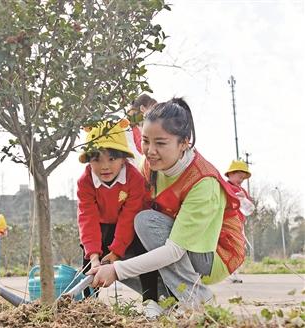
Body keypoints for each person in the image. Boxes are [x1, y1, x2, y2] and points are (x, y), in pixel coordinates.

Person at [89, 98, 246, 317]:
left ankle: (198, 299)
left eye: (160, 143)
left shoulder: (203, 182)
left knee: (145, 222)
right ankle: (167, 299)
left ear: (184, 143)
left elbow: (174, 250)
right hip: (173, 241)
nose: (150, 151)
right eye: (145, 141)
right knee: (117, 242)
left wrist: (116, 270)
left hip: (213, 253)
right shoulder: (150, 167)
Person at [77, 119, 158, 300]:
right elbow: (87, 217)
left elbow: (129, 215)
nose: (104, 166)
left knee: (143, 252)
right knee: (88, 261)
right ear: (89, 161)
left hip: (131, 224)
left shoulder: (134, 179)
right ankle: (88, 303)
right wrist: (94, 256)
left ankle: (151, 300)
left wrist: (116, 251)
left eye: (112, 159)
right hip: (101, 225)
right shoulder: (85, 182)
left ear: (123, 159)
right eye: (96, 159)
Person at [225, 160, 254, 283]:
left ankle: (235, 273)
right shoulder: (226, 187)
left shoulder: (243, 191)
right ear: (230, 174)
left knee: (239, 248)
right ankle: (229, 273)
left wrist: (244, 198)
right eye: (239, 176)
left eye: (243, 178)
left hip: (239, 224)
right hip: (228, 223)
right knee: (231, 248)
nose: (241, 180)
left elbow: (249, 207)